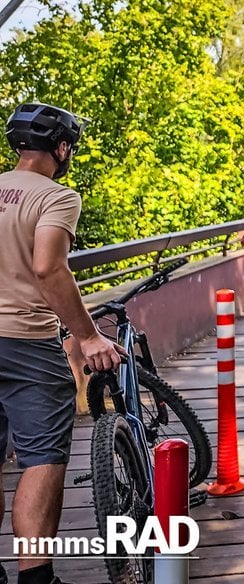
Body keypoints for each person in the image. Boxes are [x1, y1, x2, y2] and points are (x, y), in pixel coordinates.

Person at [0, 103, 120, 584]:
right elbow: (50, 267)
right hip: (26, 340)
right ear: (62, 147)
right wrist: (88, 335)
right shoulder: (56, 196)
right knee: (41, 456)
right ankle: (36, 577)